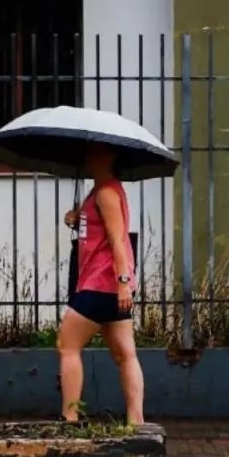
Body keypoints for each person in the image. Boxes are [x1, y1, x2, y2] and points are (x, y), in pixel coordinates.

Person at [58, 142, 144, 425]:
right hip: (110, 285)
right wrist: (77, 218)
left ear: (110, 157)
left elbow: (117, 239)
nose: (88, 156)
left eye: (96, 152)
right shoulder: (101, 191)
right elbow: (97, 230)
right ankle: (136, 421)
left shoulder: (106, 192)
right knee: (124, 354)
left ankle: (69, 416)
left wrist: (122, 281)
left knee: (67, 344)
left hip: (101, 282)